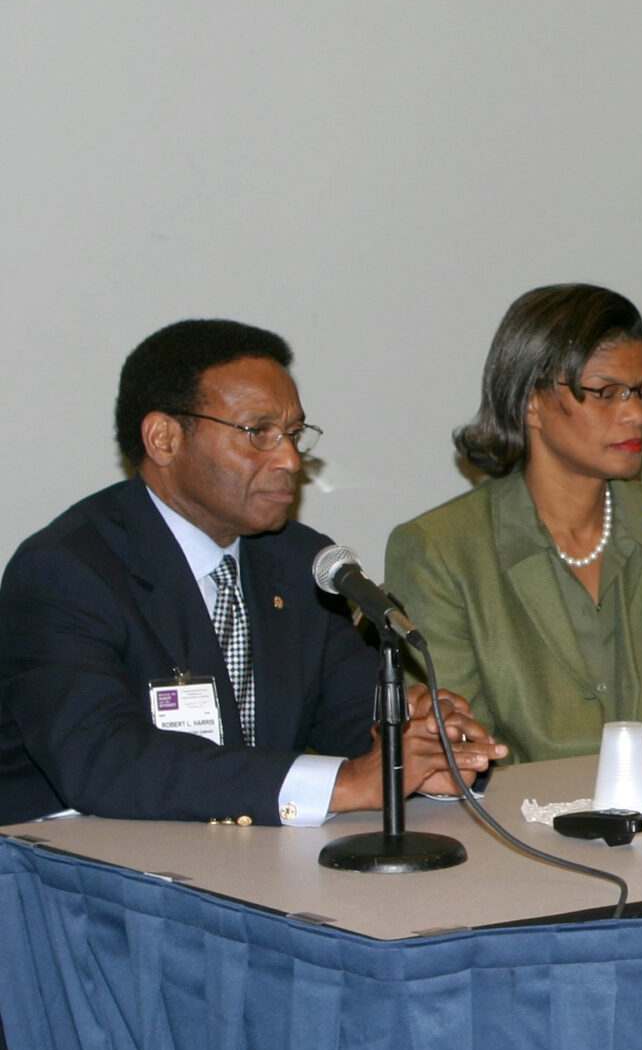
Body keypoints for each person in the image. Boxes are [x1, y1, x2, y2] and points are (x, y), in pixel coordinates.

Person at [0, 319, 502, 826]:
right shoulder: (66, 570)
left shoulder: (302, 561)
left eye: (293, 434)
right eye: (258, 433)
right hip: (73, 871)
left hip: (247, 863)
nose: (288, 459)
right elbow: (106, 763)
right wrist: (347, 783)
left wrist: (418, 751)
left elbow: (350, 717)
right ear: (164, 438)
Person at [385, 284, 642, 764]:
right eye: (606, 393)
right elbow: (463, 748)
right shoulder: (438, 550)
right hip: (509, 825)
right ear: (532, 402)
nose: (636, 414)